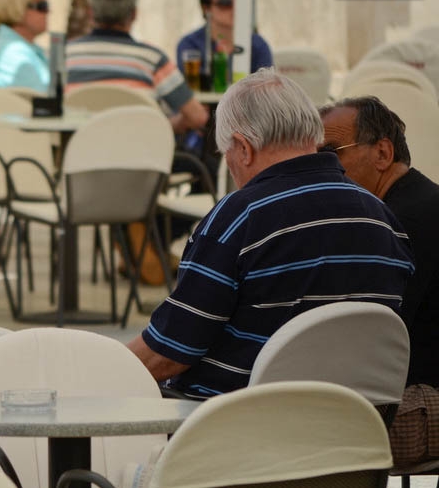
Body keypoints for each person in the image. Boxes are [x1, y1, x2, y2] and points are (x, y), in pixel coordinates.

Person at [127, 68, 414, 400]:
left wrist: (100, 369)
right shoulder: (384, 219)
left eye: (227, 154)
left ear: (243, 148)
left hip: (234, 417)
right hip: (350, 418)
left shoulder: (241, 217)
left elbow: (167, 353)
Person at [319, 96, 439, 468]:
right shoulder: (417, 202)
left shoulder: (395, 224)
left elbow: (363, 340)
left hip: (418, 400)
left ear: (383, 153)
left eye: (330, 153)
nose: (320, 167)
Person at [66, 0, 209, 134]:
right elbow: (198, 117)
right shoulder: (153, 59)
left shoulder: (65, 55)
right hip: (142, 149)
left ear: (91, 13)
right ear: (134, 14)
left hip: (79, 149)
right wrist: (163, 125)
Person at [176, 0, 273, 82]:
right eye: (225, 2)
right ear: (206, 8)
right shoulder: (190, 44)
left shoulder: (257, 44)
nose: (236, 8)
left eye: (240, 1)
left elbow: (266, 86)